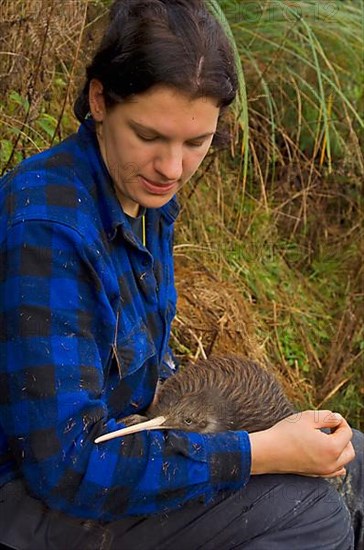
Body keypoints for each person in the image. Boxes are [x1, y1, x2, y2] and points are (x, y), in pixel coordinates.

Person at [0, 1, 362, 548]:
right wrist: (259, 453)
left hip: (123, 440)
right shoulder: (48, 232)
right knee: (312, 514)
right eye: (149, 136)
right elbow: (68, 468)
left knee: (354, 456)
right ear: (99, 100)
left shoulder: (144, 197)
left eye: (196, 143)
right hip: (32, 495)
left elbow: (146, 374)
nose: (172, 168)